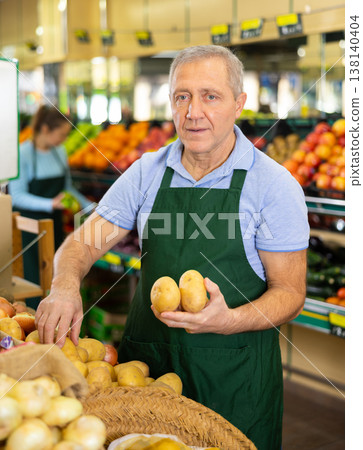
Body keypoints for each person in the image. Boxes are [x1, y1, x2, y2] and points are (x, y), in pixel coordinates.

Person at [35, 46, 309, 449]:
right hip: (147, 379)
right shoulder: (148, 171)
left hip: (235, 384)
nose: (193, 111)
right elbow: (83, 241)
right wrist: (64, 284)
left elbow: (290, 292)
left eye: (210, 96)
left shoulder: (273, 185)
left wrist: (228, 320)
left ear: (239, 104)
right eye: (182, 96)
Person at [9, 105, 92, 307]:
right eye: (61, 134)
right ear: (45, 129)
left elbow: (67, 188)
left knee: (55, 278)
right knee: (33, 282)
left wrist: (89, 206)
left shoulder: (60, 151)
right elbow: (16, 196)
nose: (64, 139)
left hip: (53, 225)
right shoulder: (22, 154)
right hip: (27, 230)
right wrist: (50, 203)